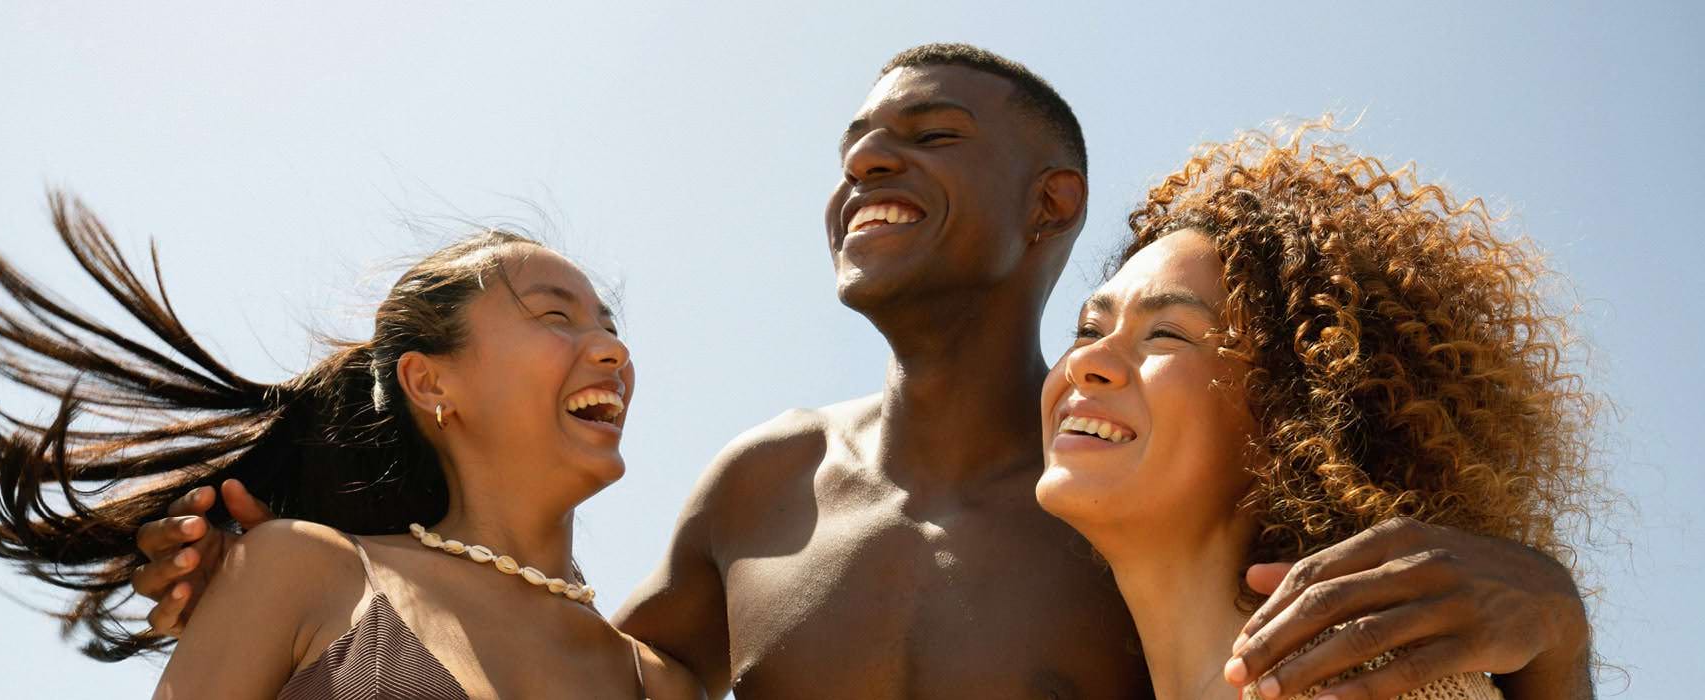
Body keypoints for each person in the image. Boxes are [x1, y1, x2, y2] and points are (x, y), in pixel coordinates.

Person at [130, 45, 1595, 699]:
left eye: (934, 135)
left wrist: (1551, 631)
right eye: (850, 150)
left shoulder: (1156, 500)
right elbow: (558, 660)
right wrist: (301, 577)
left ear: (1054, 204)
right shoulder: (760, 487)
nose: (871, 161)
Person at [0, 197, 702, 699]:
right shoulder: (301, 572)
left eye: (609, 325)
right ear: (430, 383)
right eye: (557, 317)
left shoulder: (664, 684)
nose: (610, 349)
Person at [1038, 124, 1599, 699]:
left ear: (1292, 412)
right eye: (1088, 329)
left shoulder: (1376, 685)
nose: (1088, 362)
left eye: (1165, 334)